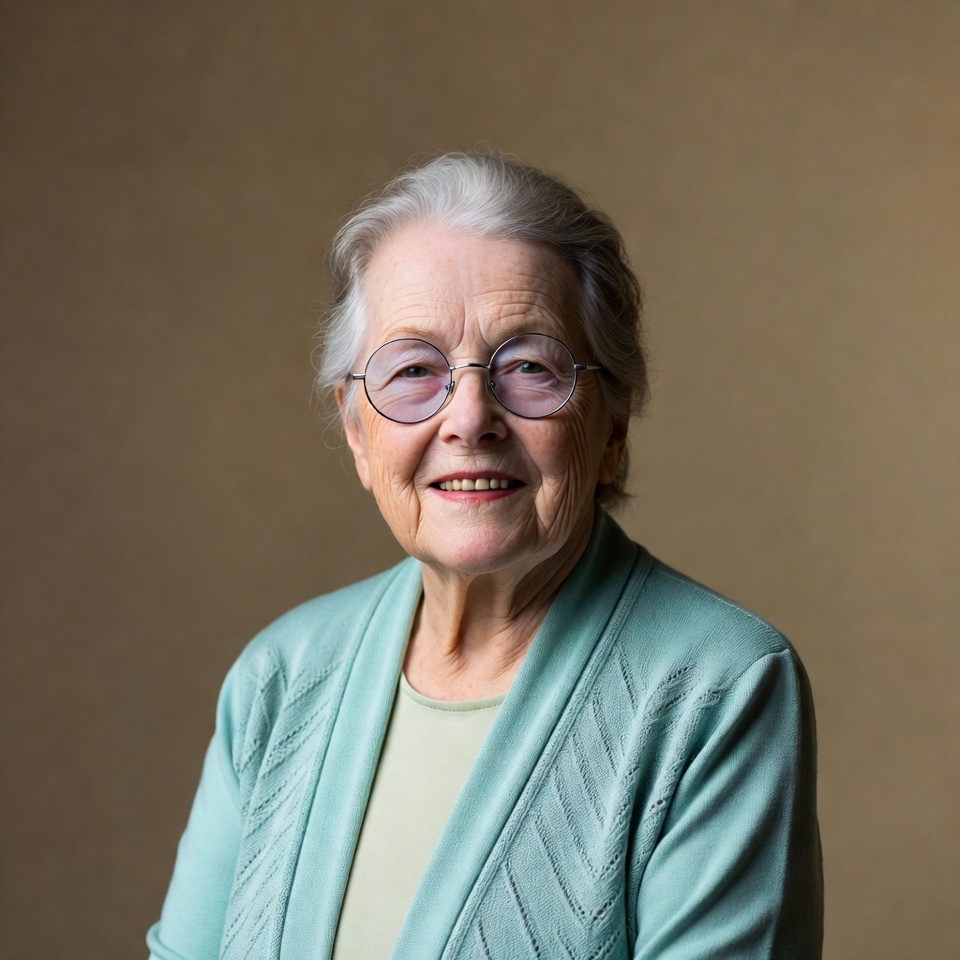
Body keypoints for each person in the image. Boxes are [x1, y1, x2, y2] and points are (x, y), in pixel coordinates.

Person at [147, 152, 822, 960]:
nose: (470, 417)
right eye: (412, 371)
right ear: (360, 434)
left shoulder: (719, 686)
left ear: (612, 428)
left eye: (529, 367)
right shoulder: (281, 675)